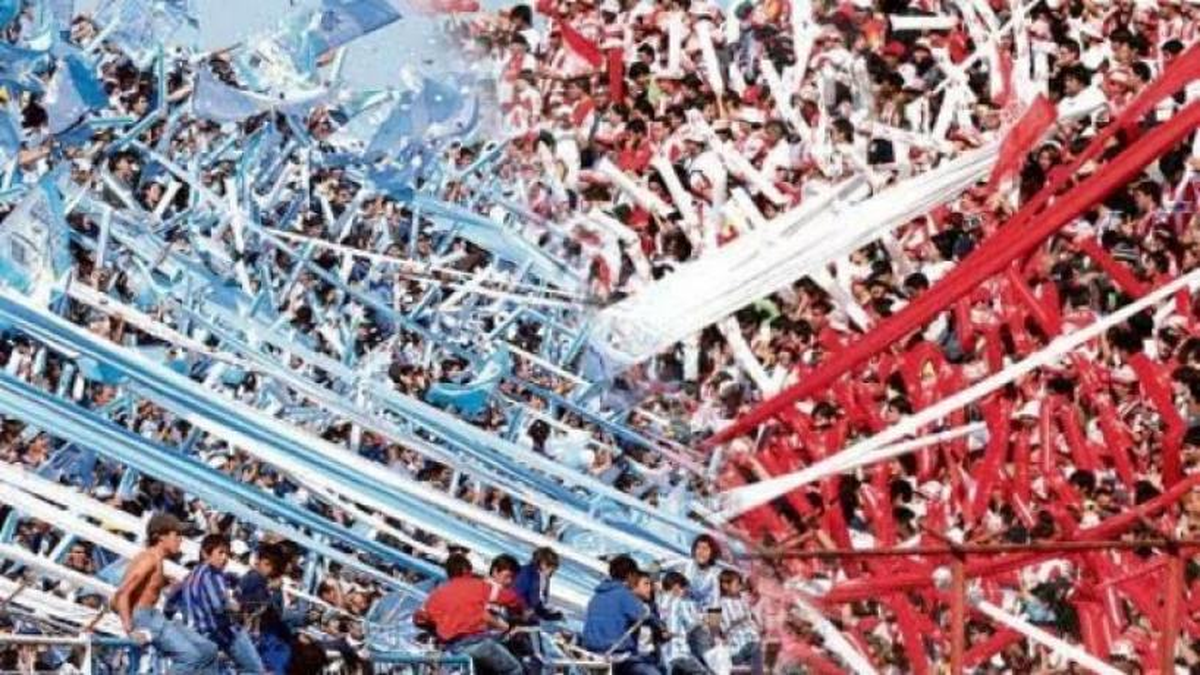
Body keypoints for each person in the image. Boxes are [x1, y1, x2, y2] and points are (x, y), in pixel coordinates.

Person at [112, 513, 219, 675]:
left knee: (209, 649)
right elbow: (122, 594)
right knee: (189, 657)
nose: (181, 540)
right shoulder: (149, 559)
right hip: (144, 617)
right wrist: (130, 630)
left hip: (153, 616)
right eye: (177, 535)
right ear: (160, 537)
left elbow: (145, 586)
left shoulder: (156, 559)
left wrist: (165, 582)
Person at [414, 553, 526, 675]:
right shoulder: (478, 586)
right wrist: (521, 612)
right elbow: (511, 599)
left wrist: (434, 628)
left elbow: (419, 618)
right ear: (467, 570)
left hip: (453, 648)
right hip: (477, 642)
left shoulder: (437, 594)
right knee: (514, 669)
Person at [169, 534, 265, 673]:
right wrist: (242, 607)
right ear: (205, 553)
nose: (225, 558)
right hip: (225, 632)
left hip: (202, 636)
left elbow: (171, 601)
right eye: (220, 552)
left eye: (227, 554)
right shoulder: (212, 574)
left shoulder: (190, 576)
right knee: (255, 669)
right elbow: (220, 606)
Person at [582, 555, 664, 675]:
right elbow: (643, 616)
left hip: (591, 652)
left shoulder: (597, 596)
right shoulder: (624, 595)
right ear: (630, 575)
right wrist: (661, 626)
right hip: (614, 653)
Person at [238, 542, 299, 674]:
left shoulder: (263, 582)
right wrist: (269, 589)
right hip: (256, 637)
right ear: (258, 561)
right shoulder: (253, 579)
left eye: (271, 566)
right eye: (266, 564)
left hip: (266, 637)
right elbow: (250, 606)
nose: (268, 569)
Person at [658, 572, 708, 675]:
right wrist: (703, 620)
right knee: (703, 672)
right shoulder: (679, 602)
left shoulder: (658, 602)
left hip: (665, 654)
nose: (685, 593)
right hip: (680, 651)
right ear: (676, 587)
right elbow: (691, 624)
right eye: (684, 589)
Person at [717, 570, 762, 675]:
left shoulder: (742, 599)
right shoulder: (718, 603)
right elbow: (715, 627)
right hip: (737, 646)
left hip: (752, 640)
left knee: (756, 669)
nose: (740, 587)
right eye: (737, 584)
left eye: (741, 584)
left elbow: (753, 605)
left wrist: (756, 625)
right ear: (725, 585)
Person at [512, 547, 564, 622]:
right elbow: (517, 593)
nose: (553, 571)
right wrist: (530, 609)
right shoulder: (527, 573)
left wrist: (543, 609)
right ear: (543, 564)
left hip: (532, 610)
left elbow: (541, 598)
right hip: (518, 609)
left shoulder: (544, 577)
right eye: (551, 568)